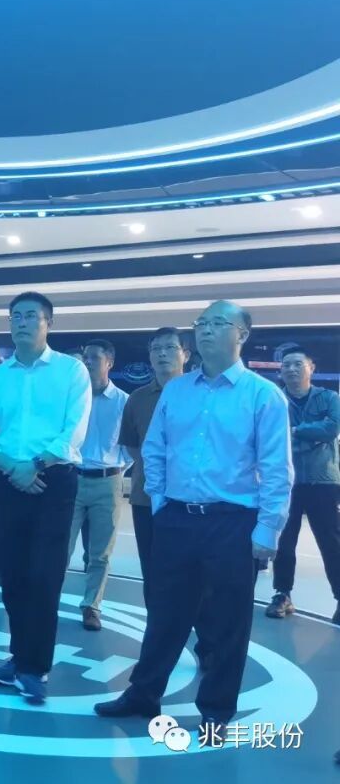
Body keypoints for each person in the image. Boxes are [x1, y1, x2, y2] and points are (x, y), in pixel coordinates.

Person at [95, 301, 293, 736]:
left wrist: (268, 530)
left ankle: (217, 710)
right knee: (164, 614)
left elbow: (277, 469)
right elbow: (155, 449)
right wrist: (161, 503)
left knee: (228, 622)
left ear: (242, 334)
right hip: (177, 519)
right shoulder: (178, 391)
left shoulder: (263, 395)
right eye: (201, 323)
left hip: (233, 523)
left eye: (218, 323)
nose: (205, 330)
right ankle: (143, 693)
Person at [0, 291, 91, 705]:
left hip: (53, 481)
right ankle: (20, 655)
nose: (21, 322)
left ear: (48, 323)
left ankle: (34, 667)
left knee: (44, 574)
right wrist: (12, 467)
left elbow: (74, 430)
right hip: (6, 481)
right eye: (16, 316)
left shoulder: (71, 371)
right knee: (10, 571)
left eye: (31, 316)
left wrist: (36, 464)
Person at [266, 347, 340, 623]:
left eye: (298, 364)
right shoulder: (275, 400)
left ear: (311, 367)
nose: (291, 369)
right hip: (286, 481)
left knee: (331, 542)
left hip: (323, 480)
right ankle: (282, 594)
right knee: (284, 541)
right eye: (286, 365)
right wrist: (313, 430)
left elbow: (332, 428)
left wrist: (295, 430)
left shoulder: (329, 398)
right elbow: (269, 434)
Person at [118, 327, 189, 607]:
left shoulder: (199, 394)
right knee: (152, 567)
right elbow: (132, 445)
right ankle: (156, 624)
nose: (162, 354)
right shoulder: (137, 398)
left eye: (170, 347)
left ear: (185, 354)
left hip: (190, 498)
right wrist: (155, 469)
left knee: (188, 571)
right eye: (156, 349)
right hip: (146, 497)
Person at [66, 339, 131, 631]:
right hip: (73, 479)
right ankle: (46, 599)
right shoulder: (73, 398)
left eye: (94, 357)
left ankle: (92, 606)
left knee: (100, 553)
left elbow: (131, 447)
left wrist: (116, 468)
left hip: (108, 483)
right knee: (60, 546)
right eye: (85, 357)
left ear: (110, 363)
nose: (87, 362)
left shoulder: (124, 402)